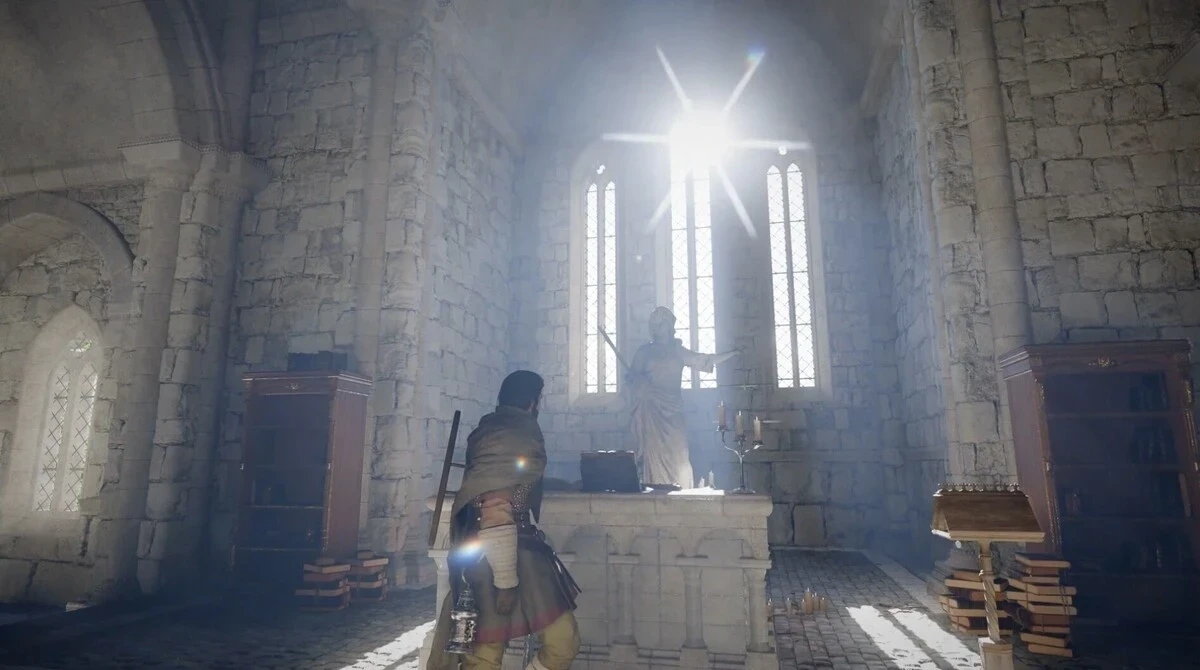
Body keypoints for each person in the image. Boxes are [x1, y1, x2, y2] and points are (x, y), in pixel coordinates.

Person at [428, 370, 581, 670]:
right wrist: (506, 581)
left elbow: (510, 482)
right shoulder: (517, 432)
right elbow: (495, 502)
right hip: (500, 559)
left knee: (489, 657)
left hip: (497, 553)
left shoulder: (490, 430)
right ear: (533, 402)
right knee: (551, 645)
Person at [624, 307, 738, 487]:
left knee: (679, 454)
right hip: (652, 411)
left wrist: (732, 353)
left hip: (673, 408)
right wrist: (637, 383)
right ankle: (656, 490)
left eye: (661, 324)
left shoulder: (678, 351)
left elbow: (704, 360)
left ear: (669, 325)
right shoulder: (644, 352)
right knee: (654, 455)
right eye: (654, 324)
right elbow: (631, 378)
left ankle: (680, 489)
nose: (656, 328)